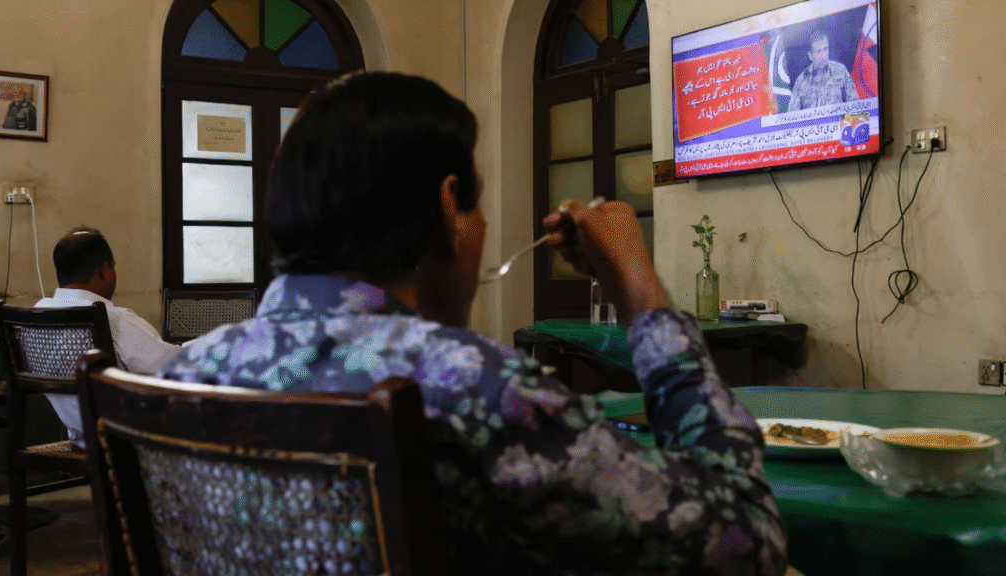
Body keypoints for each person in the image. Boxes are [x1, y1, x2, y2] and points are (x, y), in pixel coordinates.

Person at [163, 71, 787, 576]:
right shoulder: (478, 390)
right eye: (476, 203)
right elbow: (743, 539)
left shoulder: (184, 375)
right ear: (446, 200)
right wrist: (634, 279)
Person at [36, 227, 180, 446]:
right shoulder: (113, 319)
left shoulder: (37, 314)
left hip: (80, 437)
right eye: (113, 267)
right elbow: (171, 367)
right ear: (103, 270)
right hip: (126, 440)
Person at [786, 30, 858, 112]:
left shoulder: (840, 71)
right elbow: (793, 114)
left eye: (825, 49)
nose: (823, 56)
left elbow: (854, 104)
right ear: (810, 55)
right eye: (818, 51)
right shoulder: (801, 81)